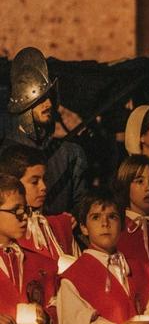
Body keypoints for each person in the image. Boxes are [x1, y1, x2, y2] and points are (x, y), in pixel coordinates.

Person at [56, 187, 149, 324]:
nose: (105, 223)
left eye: (112, 217)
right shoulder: (74, 277)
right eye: (96, 217)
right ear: (84, 228)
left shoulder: (141, 270)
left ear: (122, 225)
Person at [2, 47, 89, 215]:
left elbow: (81, 208)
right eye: (40, 99)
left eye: (49, 98)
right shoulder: (4, 154)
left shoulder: (70, 154)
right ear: (25, 102)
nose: (48, 104)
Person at [0, 173, 56, 324]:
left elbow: (60, 309)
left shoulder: (44, 264)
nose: (24, 216)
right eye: (16, 210)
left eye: (25, 210)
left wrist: (47, 318)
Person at [0, 144, 79, 261]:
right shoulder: (8, 230)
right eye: (34, 182)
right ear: (13, 182)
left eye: (44, 179)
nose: (44, 187)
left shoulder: (57, 224)